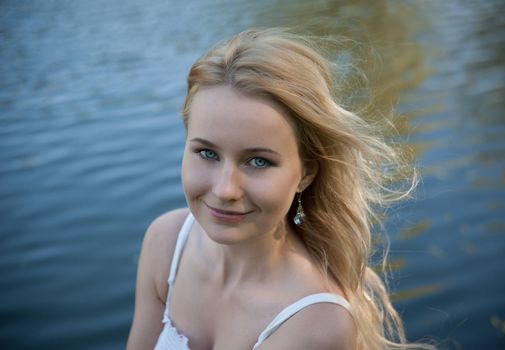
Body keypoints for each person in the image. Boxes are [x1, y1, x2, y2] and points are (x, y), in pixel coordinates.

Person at [127, 28, 432, 350]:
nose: (225, 189)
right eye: (207, 153)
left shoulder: (315, 323)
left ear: (306, 173)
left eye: (258, 161)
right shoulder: (165, 242)